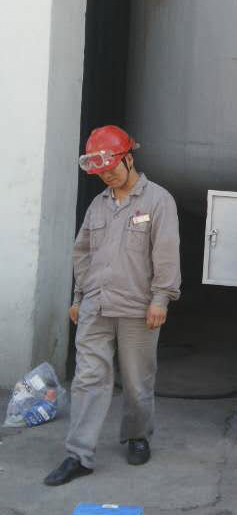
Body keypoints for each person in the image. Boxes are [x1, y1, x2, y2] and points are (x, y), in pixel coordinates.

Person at [44, 125, 181, 486]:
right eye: (101, 172)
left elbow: (166, 255)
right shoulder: (98, 205)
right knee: (88, 379)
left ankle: (137, 436)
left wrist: (161, 299)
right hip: (96, 306)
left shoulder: (158, 201)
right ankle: (79, 455)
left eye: (112, 169)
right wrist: (79, 297)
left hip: (138, 308)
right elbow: (83, 252)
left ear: (128, 159)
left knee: (137, 382)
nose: (107, 176)